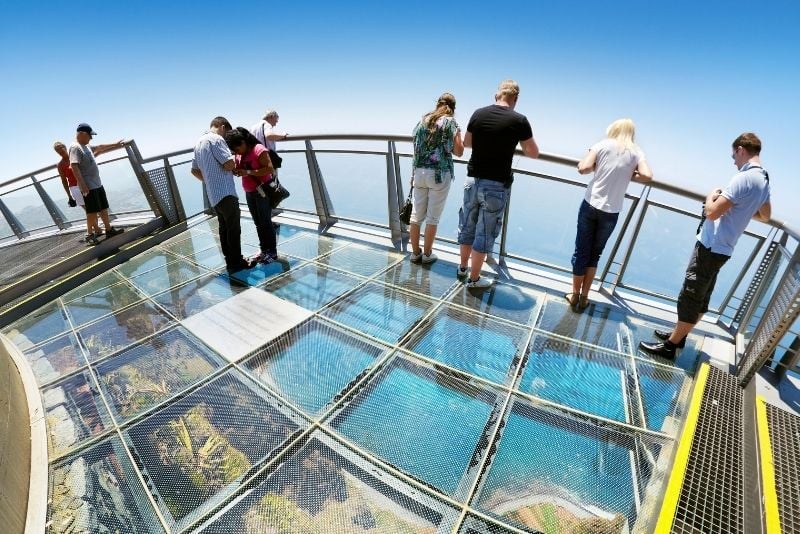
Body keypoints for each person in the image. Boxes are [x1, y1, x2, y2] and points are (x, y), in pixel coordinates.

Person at [639, 132, 771, 358]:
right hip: (725, 247)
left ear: (741, 149)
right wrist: (741, 208)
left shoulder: (743, 178)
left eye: (734, 155)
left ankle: (670, 346)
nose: (733, 160)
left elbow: (711, 213)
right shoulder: (764, 180)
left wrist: (712, 196)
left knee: (690, 295)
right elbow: (765, 215)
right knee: (701, 295)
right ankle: (678, 337)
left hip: (711, 245)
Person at [457, 80, 540, 288]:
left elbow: (467, 143)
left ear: (496, 95)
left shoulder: (478, 113)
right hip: (495, 184)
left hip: (472, 179)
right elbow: (533, 152)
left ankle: (462, 268)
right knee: (484, 233)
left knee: (467, 225)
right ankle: (474, 280)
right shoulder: (519, 120)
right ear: (515, 99)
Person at [568, 119, 652, 312]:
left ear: (613, 130)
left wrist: (596, 166)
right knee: (595, 255)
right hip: (611, 211)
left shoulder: (602, 145)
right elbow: (647, 176)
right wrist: (629, 174)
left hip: (590, 205)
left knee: (581, 252)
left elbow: (583, 168)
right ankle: (585, 297)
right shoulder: (636, 152)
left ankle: (574, 295)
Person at [191, 117, 255, 272]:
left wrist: (209, 181)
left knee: (224, 228)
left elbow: (194, 170)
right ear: (222, 127)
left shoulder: (199, 143)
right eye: (227, 134)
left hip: (213, 195)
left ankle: (230, 259)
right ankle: (237, 262)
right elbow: (229, 164)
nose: (227, 139)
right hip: (226, 193)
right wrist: (233, 160)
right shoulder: (216, 140)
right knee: (233, 229)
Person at [408, 93, 464, 264]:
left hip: (419, 172)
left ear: (437, 104)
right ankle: (427, 255)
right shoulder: (450, 122)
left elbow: (416, 145)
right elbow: (459, 151)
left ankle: (415, 253)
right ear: (453, 108)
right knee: (433, 218)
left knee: (416, 216)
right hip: (439, 174)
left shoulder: (424, 119)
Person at [225, 127, 278, 264]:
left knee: (266, 222)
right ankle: (264, 249)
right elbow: (242, 169)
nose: (236, 152)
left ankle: (272, 252)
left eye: (237, 148)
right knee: (258, 223)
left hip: (262, 192)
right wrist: (238, 171)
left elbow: (269, 168)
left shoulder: (258, 149)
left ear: (243, 142)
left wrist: (248, 172)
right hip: (249, 192)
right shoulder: (239, 154)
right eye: (234, 150)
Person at [67, 124, 126, 245]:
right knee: (92, 211)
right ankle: (89, 235)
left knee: (103, 207)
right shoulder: (75, 147)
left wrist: (115, 144)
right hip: (88, 186)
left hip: (97, 183)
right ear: (83, 134)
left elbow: (100, 147)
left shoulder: (86, 146)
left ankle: (108, 229)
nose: (91, 138)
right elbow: (74, 165)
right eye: (90, 135)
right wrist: (82, 184)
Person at [250, 109, 288, 177]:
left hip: (256, 157)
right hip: (267, 158)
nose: (275, 124)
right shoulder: (267, 125)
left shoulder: (253, 127)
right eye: (275, 120)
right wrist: (283, 135)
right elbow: (269, 135)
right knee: (271, 182)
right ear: (271, 116)